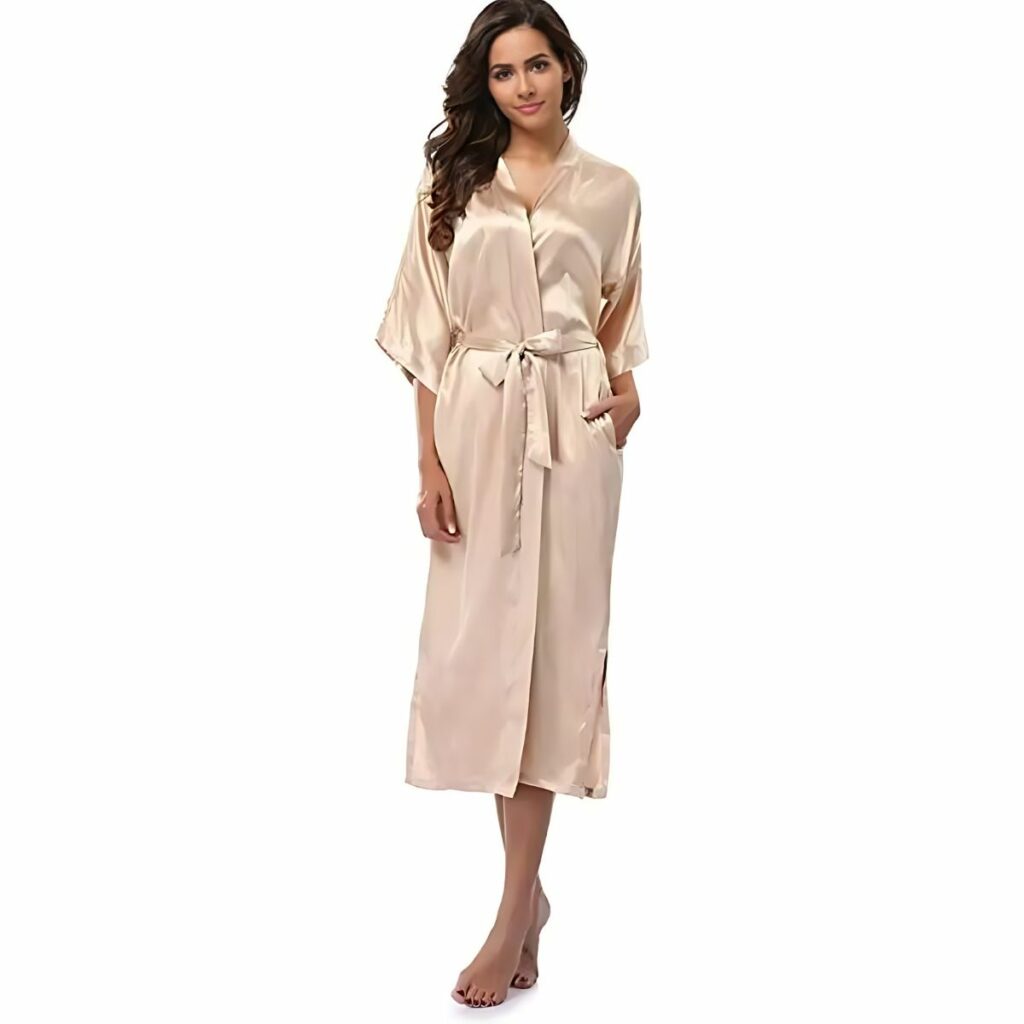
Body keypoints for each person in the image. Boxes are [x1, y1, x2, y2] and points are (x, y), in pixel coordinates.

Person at [374, 0, 649, 1008]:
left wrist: (628, 400)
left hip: (575, 437)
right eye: (502, 71)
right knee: (490, 666)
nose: (523, 85)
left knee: (552, 664)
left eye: (537, 64)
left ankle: (509, 910)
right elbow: (427, 335)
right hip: (479, 431)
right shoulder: (451, 184)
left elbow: (620, 327)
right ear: (483, 85)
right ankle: (527, 902)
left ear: (567, 68)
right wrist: (428, 466)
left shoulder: (615, 189)